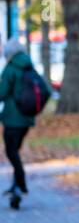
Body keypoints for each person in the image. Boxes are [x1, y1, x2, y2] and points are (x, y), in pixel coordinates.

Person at [0, 37, 51, 209]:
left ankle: (20, 183)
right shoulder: (29, 66)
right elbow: (46, 90)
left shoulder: (11, 68)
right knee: (15, 151)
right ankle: (17, 186)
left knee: (11, 151)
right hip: (27, 118)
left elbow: (2, 92)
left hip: (12, 118)